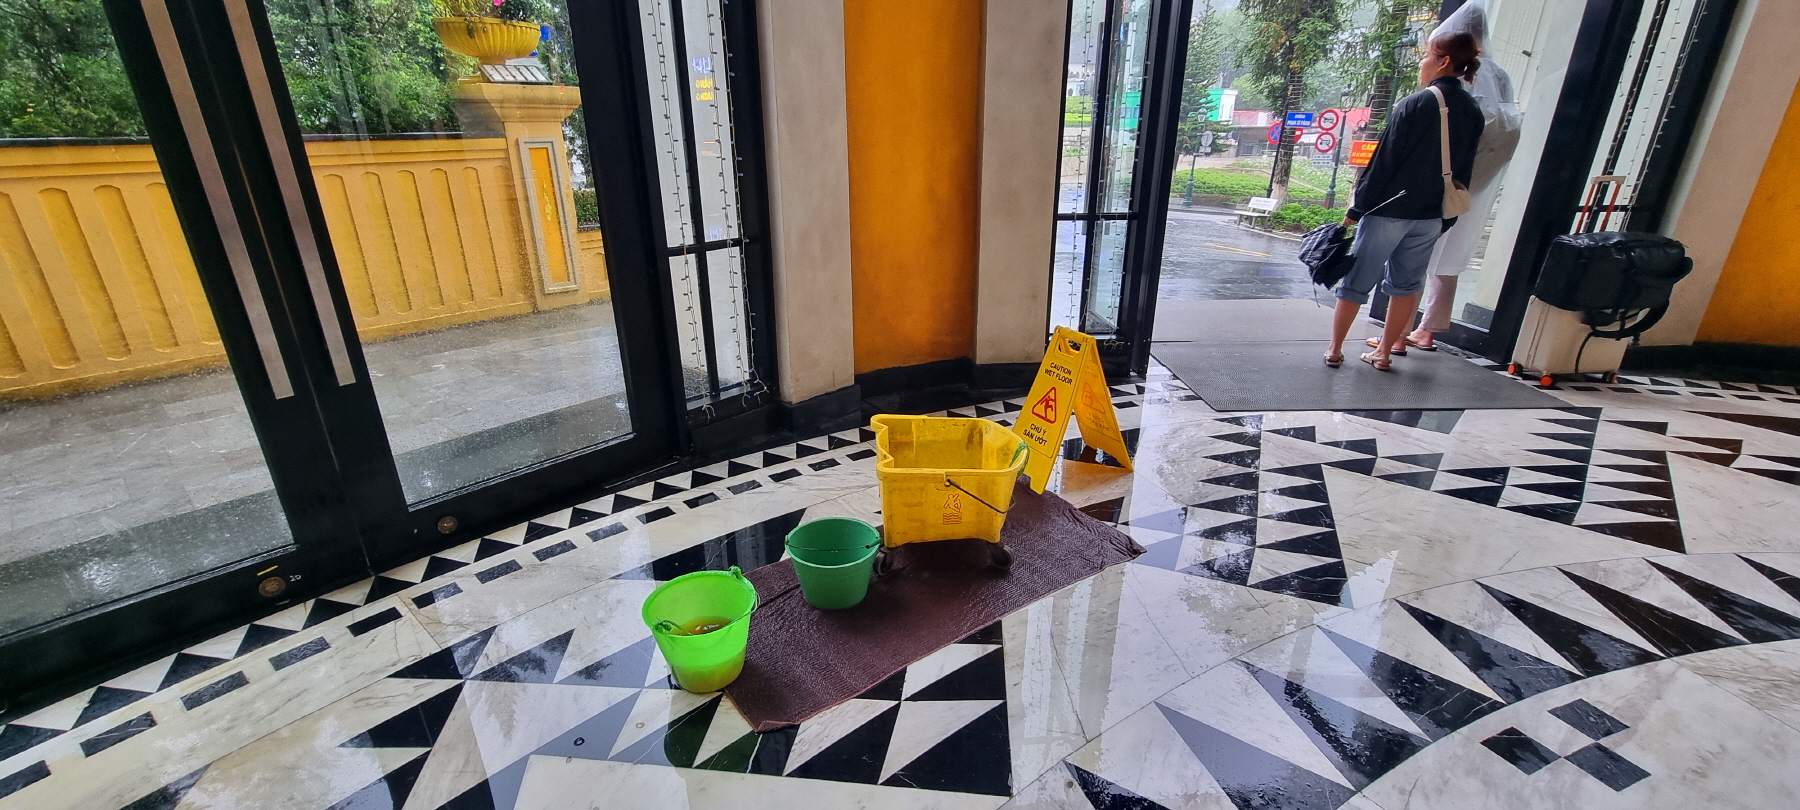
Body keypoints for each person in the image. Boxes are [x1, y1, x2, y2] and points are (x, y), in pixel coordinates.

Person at [1369, 1, 1522, 354]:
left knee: (1416, 256)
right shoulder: (1499, 74)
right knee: (1447, 255)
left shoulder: (1464, 82)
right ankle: (1426, 330)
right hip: (1471, 181)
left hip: (1441, 180)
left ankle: (1397, 336)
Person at [1325, 31, 1484, 371]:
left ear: (1443, 61)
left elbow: (1384, 162)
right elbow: (1465, 169)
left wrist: (1357, 208)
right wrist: (1446, 218)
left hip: (1389, 210)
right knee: (1405, 286)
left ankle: (1335, 349)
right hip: (1431, 215)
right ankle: (1383, 353)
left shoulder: (1416, 103)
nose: (1422, 63)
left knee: (1357, 282)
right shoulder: (1473, 110)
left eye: (1427, 55)